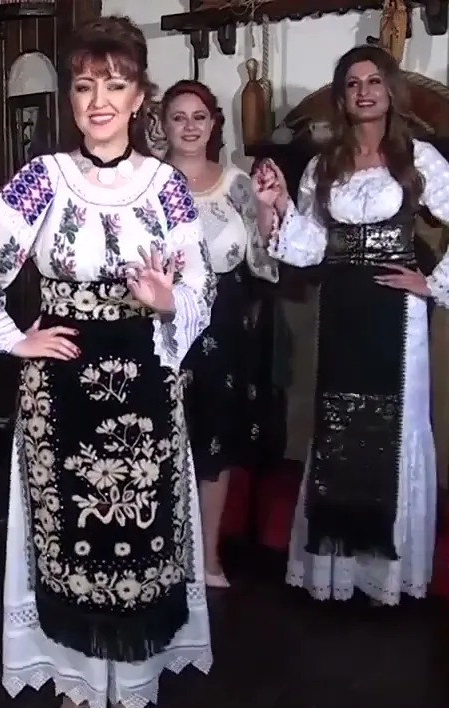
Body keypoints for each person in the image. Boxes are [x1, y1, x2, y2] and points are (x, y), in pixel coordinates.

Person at [0, 16, 214, 708]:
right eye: (86, 86)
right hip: (60, 380)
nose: (99, 101)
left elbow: (200, 283)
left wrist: (166, 300)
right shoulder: (44, 179)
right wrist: (12, 339)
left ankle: (134, 681)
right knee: (67, 531)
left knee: (144, 530)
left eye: (115, 86)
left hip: (146, 376)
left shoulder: (165, 185)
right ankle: (77, 680)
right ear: (71, 97)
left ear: (139, 97)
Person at [253, 44, 449, 605]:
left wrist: (431, 283)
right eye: (353, 83)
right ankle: (335, 569)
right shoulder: (325, 165)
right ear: (342, 96)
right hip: (341, 308)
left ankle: (386, 576)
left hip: (395, 314)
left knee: (395, 426)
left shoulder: (416, 157)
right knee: (337, 427)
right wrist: (279, 203)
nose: (364, 92)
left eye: (374, 81)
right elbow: (310, 246)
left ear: (390, 91)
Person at [161, 79, 278, 588]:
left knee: (216, 439)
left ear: (213, 124)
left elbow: (263, 256)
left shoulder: (236, 182)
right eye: (179, 117)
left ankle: (208, 556)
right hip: (162, 319)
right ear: (162, 126)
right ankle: (163, 553)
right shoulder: (145, 181)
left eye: (199, 117)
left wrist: (269, 209)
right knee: (164, 437)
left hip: (223, 320)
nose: (190, 127)